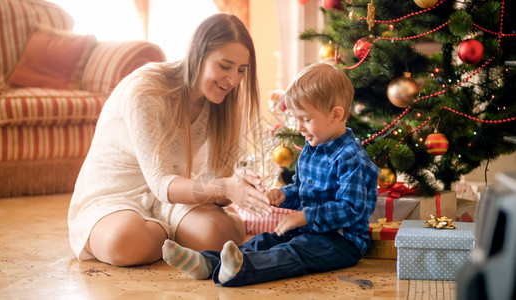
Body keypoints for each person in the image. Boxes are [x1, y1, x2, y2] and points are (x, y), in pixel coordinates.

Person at [68, 13, 272, 267]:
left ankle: (164, 238)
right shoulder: (146, 91)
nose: (233, 80)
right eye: (225, 66)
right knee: (124, 241)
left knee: (222, 236)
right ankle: (170, 237)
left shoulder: (223, 102)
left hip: (174, 197)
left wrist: (238, 187)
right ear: (197, 53)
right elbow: (161, 182)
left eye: (242, 70)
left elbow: (215, 183)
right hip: (117, 194)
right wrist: (223, 187)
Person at [162, 62, 380, 286]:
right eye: (296, 118)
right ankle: (208, 263)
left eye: (306, 119)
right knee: (265, 240)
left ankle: (240, 270)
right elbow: (301, 188)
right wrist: (284, 195)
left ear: (336, 115)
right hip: (306, 230)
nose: (299, 127)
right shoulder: (312, 148)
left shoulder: (352, 159)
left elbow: (352, 209)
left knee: (292, 252)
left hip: (341, 241)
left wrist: (305, 216)